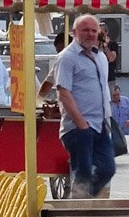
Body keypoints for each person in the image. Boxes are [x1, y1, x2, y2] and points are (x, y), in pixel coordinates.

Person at [55, 13, 114, 198]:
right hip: (79, 127)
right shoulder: (67, 57)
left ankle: (82, 199)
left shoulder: (100, 57)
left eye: (93, 31)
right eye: (85, 30)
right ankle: (78, 213)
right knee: (83, 174)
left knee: (107, 169)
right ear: (74, 32)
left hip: (100, 125)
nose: (90, 34)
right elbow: (63, 92)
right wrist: (82, 124)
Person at [38, 30, 69, 97]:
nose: (60, 55)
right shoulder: (60, 62)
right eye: (59, 53)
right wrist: (37, 101)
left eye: (61, 52)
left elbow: (47, 85)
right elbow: (48, 83)